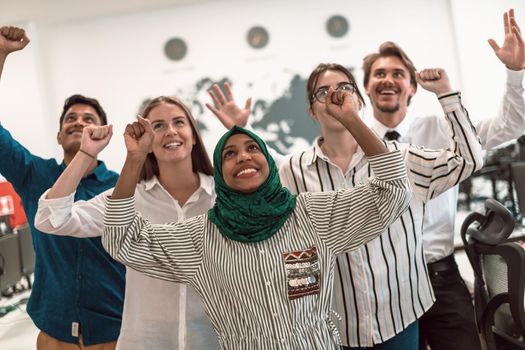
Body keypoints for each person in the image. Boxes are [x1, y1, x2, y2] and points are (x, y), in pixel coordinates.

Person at [101, 86, 412, 349]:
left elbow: (393, 190)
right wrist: (136, 159)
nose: (244, 157)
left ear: (268, 160)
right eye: (230, 154)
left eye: (252, 148)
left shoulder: (311, 215)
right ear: (219, 175)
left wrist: (351, 120)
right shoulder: (201, 238)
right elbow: (122, 239)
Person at [207, 61, 483, 350]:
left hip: (399, 318)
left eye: (344, 88)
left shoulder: (400, 159)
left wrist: (446, 94)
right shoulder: (292, 171)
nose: (335, 95)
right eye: (322, 92)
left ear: (359, 101)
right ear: (312, 111)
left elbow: (468, 161)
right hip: (334, 330)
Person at [361, 9, 525, 350]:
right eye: (379, 73)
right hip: (385, 284)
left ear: (412, 86)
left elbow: (510, 125)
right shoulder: (352, 143)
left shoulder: (444, 129)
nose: (387, 79)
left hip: (440, 276)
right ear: (366, 86)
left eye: (397, 73)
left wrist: (515, 71)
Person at [35, 96, 219, 349]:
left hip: (212, 340)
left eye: (179, 122)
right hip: (144, 342)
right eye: (158, 126)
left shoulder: (224, 197)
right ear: (148, 141)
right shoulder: (127, 198)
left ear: (194, 135)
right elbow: (50, 219)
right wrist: (86, 152)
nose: (171, 131)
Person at [0, 27, 125, 349]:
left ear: (103, 131)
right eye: (70, 118)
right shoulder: (34, 174)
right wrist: (1, 54)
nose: (78, 122)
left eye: (88, 117)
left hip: (114, 326)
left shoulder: (122, 185)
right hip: (53, 327)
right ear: (58, 135)